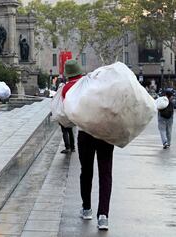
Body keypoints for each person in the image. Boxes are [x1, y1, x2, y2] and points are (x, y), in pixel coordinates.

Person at [62, 60, 113, 231]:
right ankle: (104, 216)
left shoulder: (67, 88)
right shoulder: (92, 83)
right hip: (105, 132)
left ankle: (87, 208)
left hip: (85, 134)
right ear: (80, 71)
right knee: (105, 173)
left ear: (67, 74)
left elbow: (68, 116)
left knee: (86, 171)